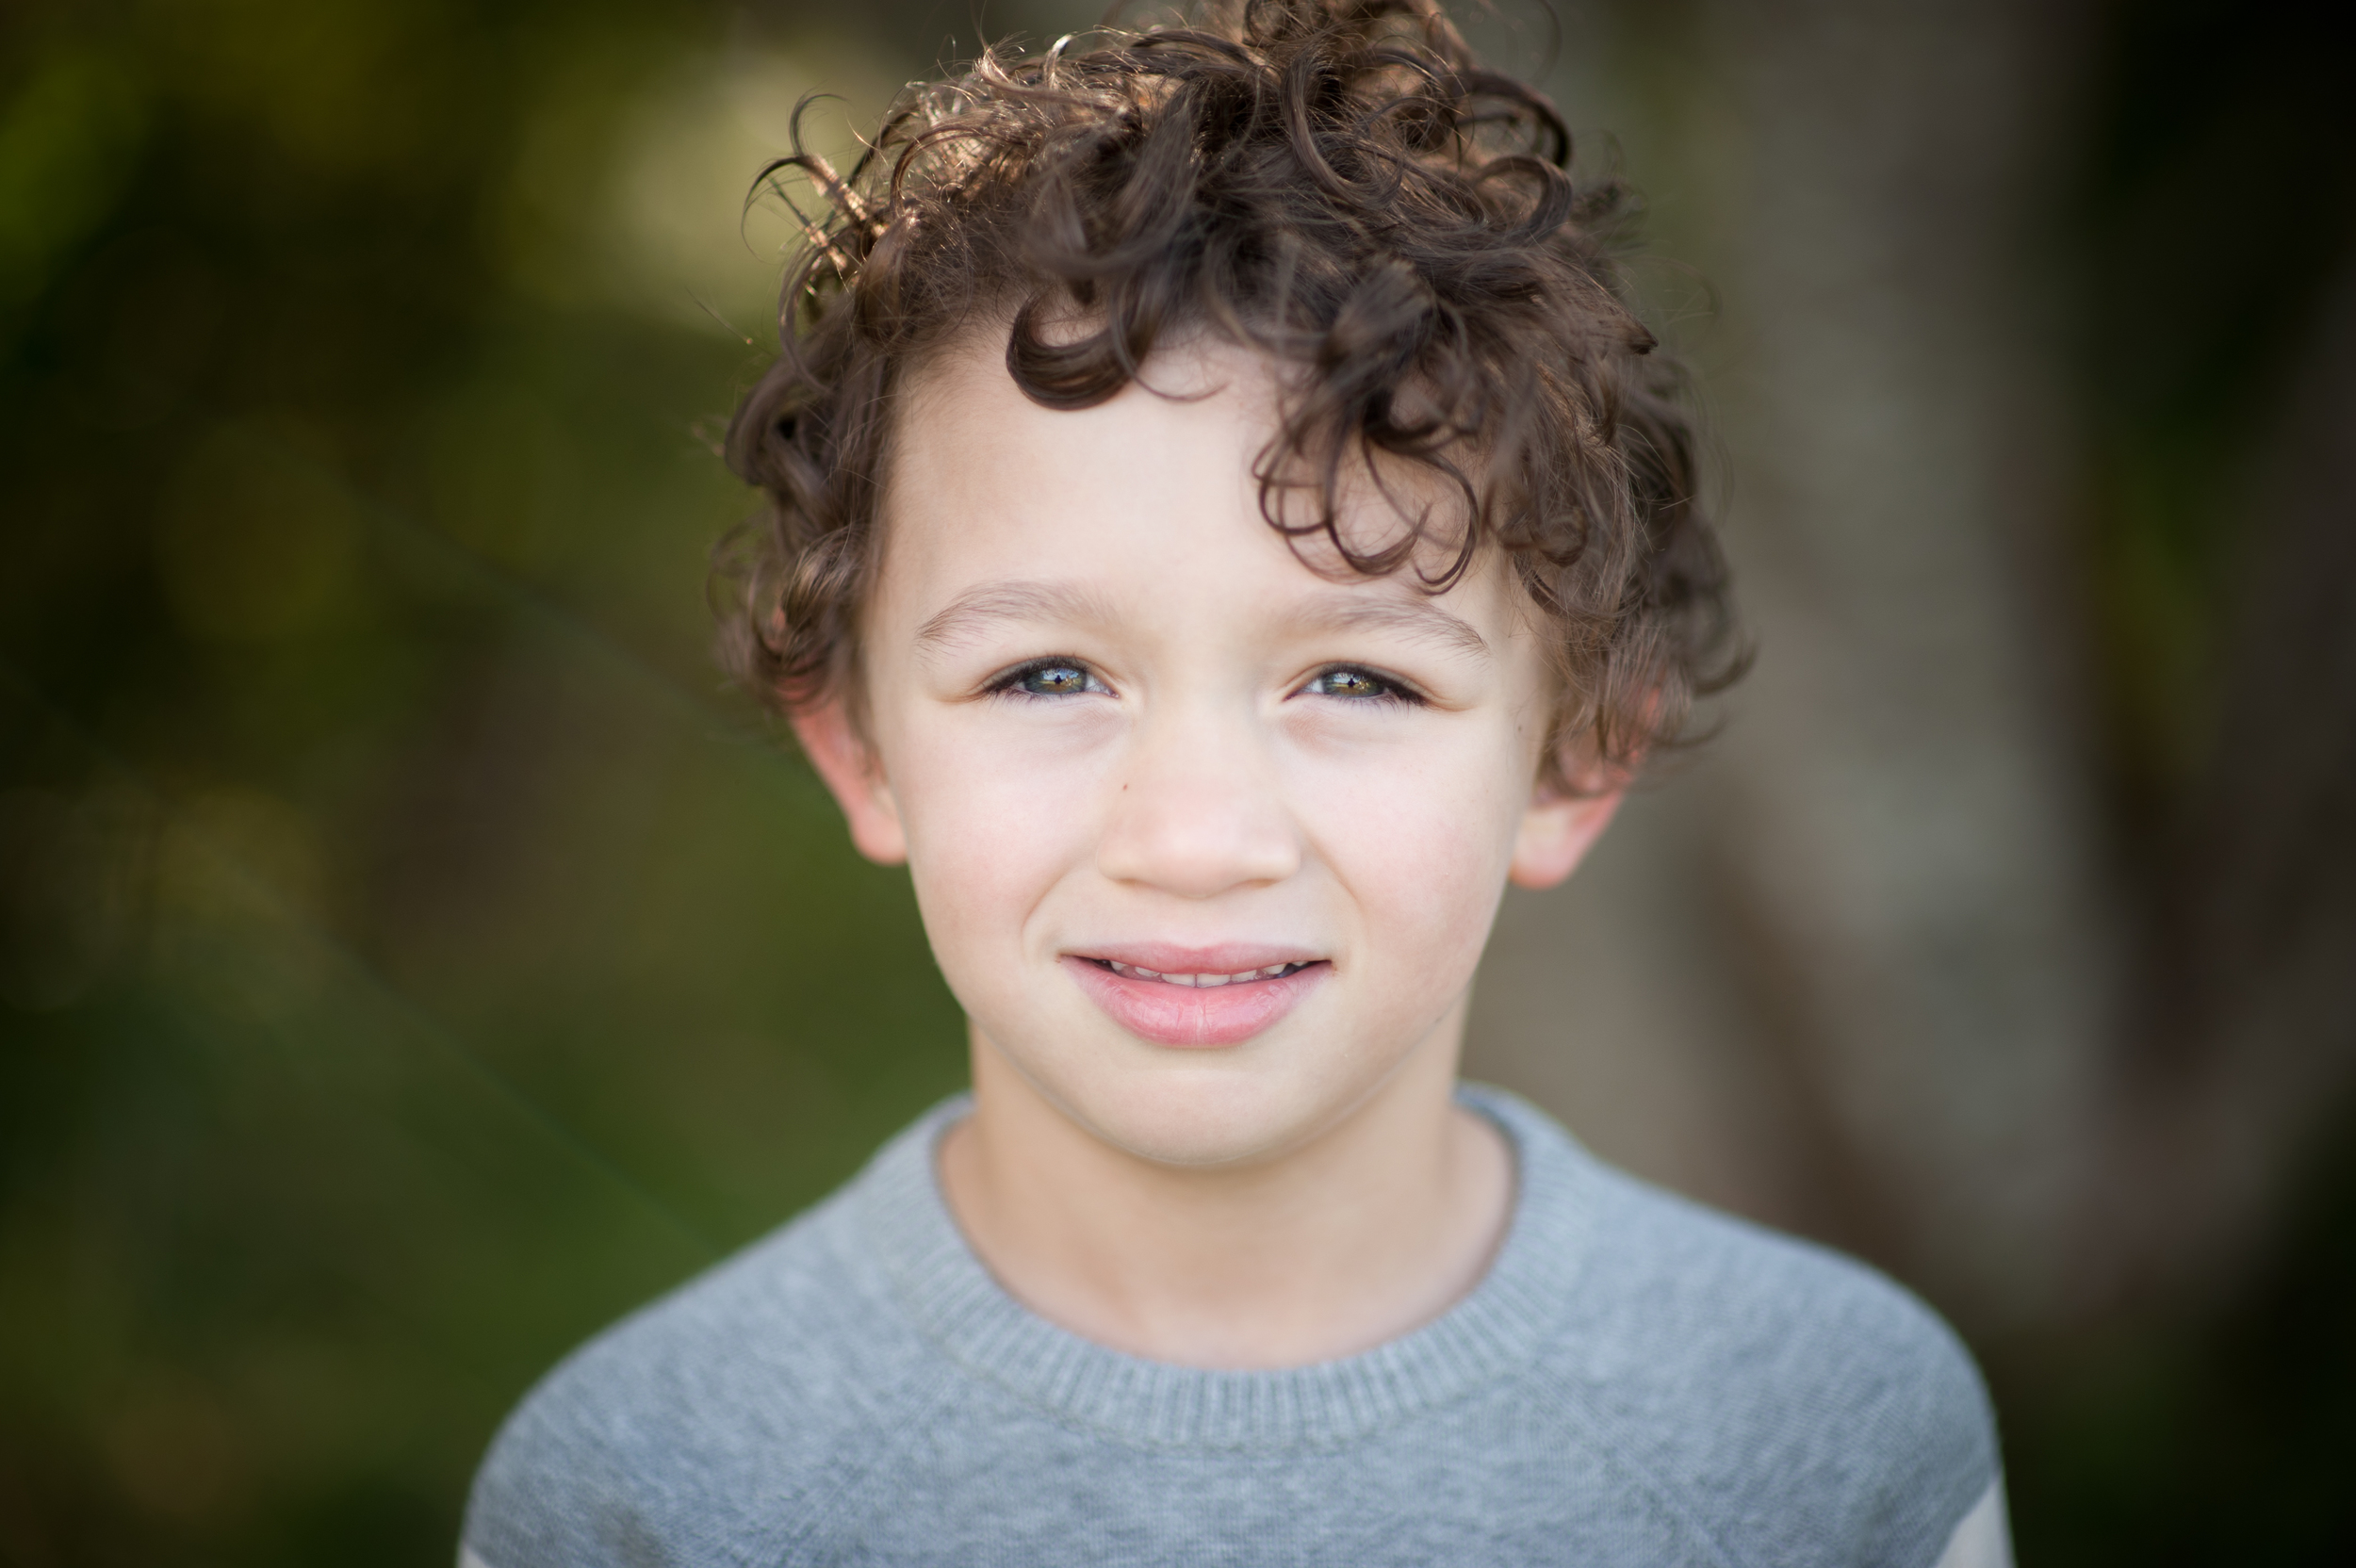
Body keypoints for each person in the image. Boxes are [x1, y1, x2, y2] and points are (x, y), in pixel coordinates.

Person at [460, 1, 2011, 1562]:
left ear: (1573, 763)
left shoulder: (1833, 1435)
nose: (1194, 840)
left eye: (1359, 678)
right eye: (1045, 675)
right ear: (863, 754)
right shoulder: (644, 1489)